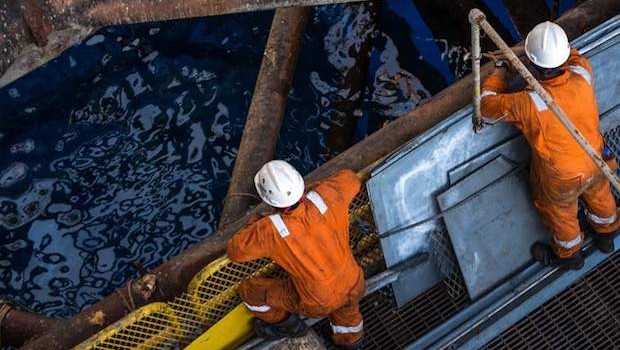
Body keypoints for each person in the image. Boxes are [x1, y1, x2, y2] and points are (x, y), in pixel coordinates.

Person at [480, 21, 619, 270]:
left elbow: (487, 106)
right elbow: (571, 54)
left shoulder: (527, 103)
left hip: (562, 178)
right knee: (600, 195)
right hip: (596, 157)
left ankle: (570, 255)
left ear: (533, 65)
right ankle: (607, 234)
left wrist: (500, 70)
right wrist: (525, 51)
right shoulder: (582, 72)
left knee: (560, 212)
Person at [227, 160, 366, 349]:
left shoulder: (270, 230)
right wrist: (314, 190)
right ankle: (352, 343)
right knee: (348, 313)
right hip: (354, 282)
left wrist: (255, 222)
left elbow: (235, 251)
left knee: (250, 291)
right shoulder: (327, 196)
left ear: (267, 199)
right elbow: (351, 179)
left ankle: (286, 325)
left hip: (317, 302)